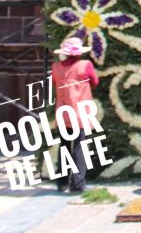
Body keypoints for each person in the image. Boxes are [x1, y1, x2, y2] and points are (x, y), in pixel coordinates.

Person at [51, 37, 99, 193]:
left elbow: (54, 83)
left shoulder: (56, 67)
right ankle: (77, 184)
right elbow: (95, 82)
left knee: (64, 147)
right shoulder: (85, 65)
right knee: (80, 148)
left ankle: (62, 183)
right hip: (80, 114)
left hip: (63, 113)